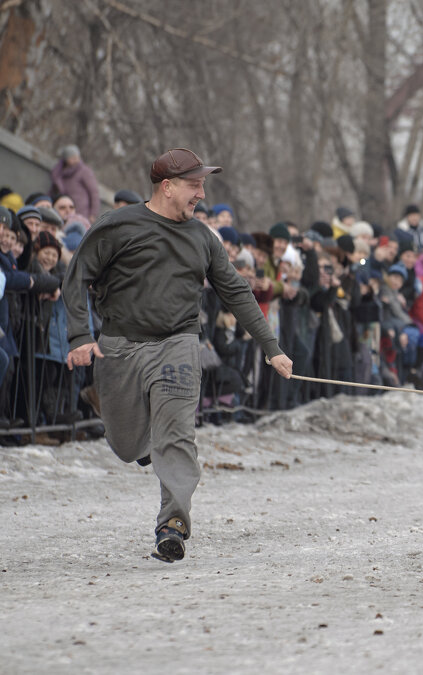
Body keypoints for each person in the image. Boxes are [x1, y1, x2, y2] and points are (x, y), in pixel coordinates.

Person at [63, 148, 294, 563]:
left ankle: (173, 522)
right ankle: (144, 442)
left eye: (203, 184)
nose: (201, 194)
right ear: (167, 187)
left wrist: (271, 347)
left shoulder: (203, 238)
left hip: (179, 344)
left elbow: (237, 292)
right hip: (120, 346)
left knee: (176, 435)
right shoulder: (117, 226)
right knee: (125, 442)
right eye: (195, 185)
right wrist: (80, 335)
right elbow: (76, 277)